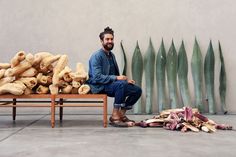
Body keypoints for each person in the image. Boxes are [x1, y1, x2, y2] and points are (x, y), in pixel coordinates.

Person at [87, 27, 142, 127]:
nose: (110, 41)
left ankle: (121, 114)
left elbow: (116, 76)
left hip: (112, 84)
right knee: (120, 85)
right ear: (101, 41)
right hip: (99, 86)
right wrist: (117, 79)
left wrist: (126, 81)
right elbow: (97, 77)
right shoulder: (96, 56)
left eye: (111, 39)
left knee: (137, 90)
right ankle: (115, 117)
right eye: (107, 39)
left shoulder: (111, 55)